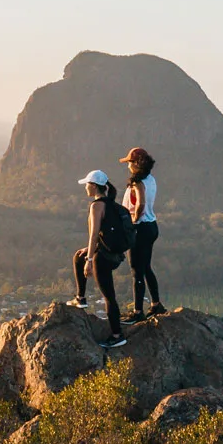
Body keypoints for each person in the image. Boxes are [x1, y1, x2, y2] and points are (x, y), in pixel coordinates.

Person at [67, 169, 129, 349]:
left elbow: (94, 234)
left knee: (109, 296)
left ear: (94, 186)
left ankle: (117, 335)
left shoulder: (97, 206)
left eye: (87, 184)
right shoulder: (111, 204)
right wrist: (87, 253)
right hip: (113, 255)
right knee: (78, 256)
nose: (85, 187)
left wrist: (90, 260)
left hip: (103, 259)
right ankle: (80, 298)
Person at [119, 147, 165, 321]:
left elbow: (141, 204)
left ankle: (138, 312)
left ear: (137, 163)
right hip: (151, 226)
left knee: (136, 270)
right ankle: (156, 304)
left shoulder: (137, 182)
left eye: (130, 163)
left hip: (141, 228)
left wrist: (133, 222)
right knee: (146, 268)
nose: (128, 166)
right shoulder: (150, 179)